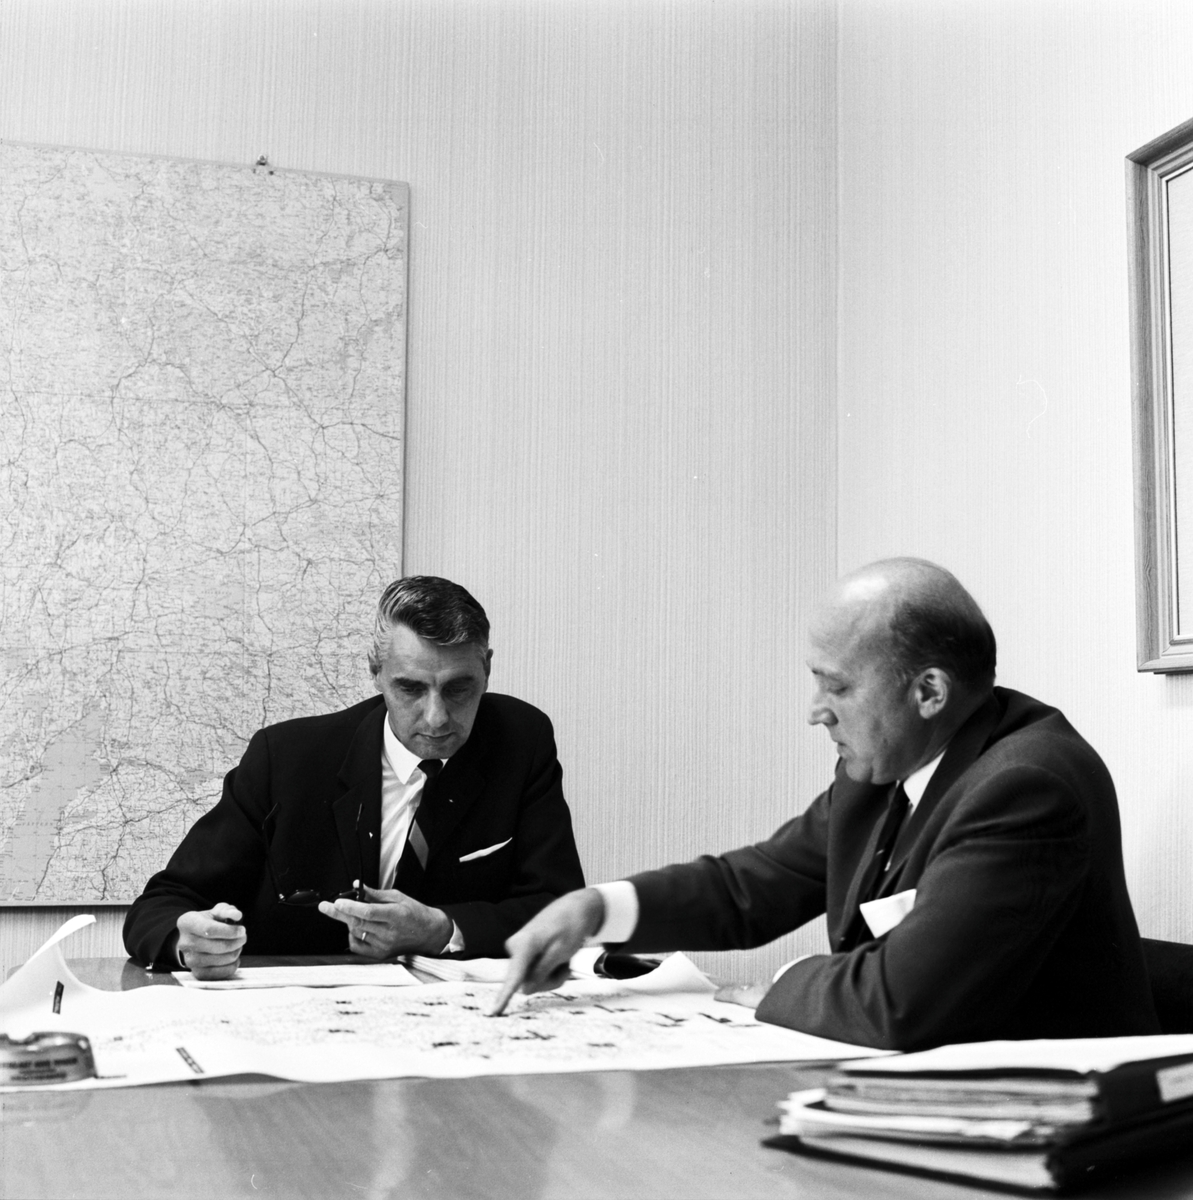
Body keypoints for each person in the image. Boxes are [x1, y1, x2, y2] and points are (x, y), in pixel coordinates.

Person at [492, 558, 1159, 1051]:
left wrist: (779, 984)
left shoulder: (1026, 787)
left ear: (928, 692)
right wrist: (595, 910)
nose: (815, 712)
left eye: (835, 687)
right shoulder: (884, 763)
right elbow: (752, 887)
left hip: (1043, 1118)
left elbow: (900, 1002)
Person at [124, 576, 585, 979]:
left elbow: (561, 909)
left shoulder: (520, 741)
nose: (437, 717)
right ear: (375, 672)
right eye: (410, 688)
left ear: (487, 667)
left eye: (459, 688)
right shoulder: (286, 758)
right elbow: (162, 904)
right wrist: (186, 942)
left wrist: (443, 929)